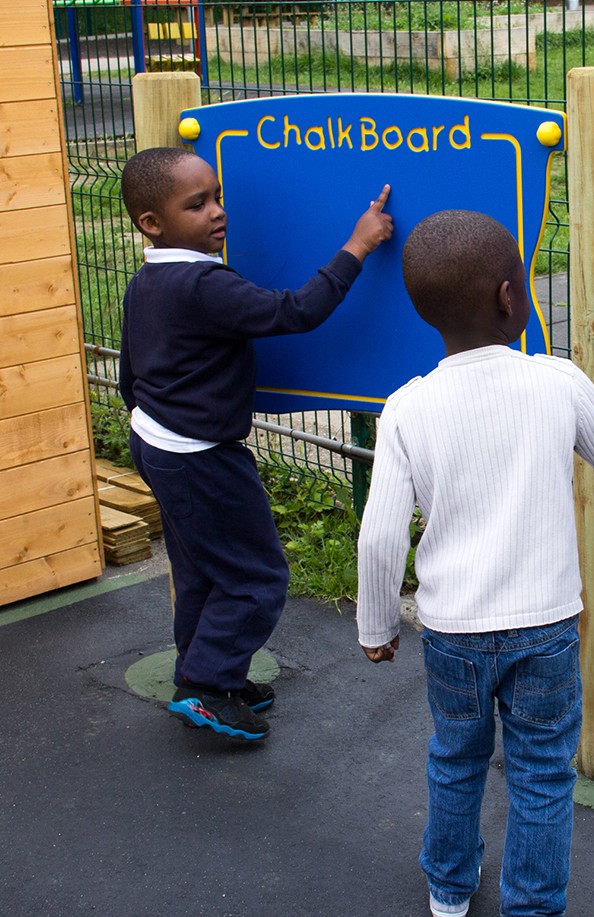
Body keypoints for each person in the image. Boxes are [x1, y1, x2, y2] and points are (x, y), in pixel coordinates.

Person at [355, 209, 594, 917]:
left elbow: (379, 535)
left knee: (455, 755)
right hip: (544, 627)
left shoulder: (405, 407)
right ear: (513, 298)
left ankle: (447, 888)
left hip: (451, 630)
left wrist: (378, 627)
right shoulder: (556, 382)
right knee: (540, 769)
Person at [118, 146, 393, 743]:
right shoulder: (200, 284)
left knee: (200, 572)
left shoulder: (149, 280)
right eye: (198, 205)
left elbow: (129, 369)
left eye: (218, 197)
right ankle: (207, 687)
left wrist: (151, 419)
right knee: (257, 576)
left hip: (158, 442)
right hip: (200, 456)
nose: (217, 212)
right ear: (152, 222)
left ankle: (208, 676)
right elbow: (295, 313)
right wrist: (359, 246)